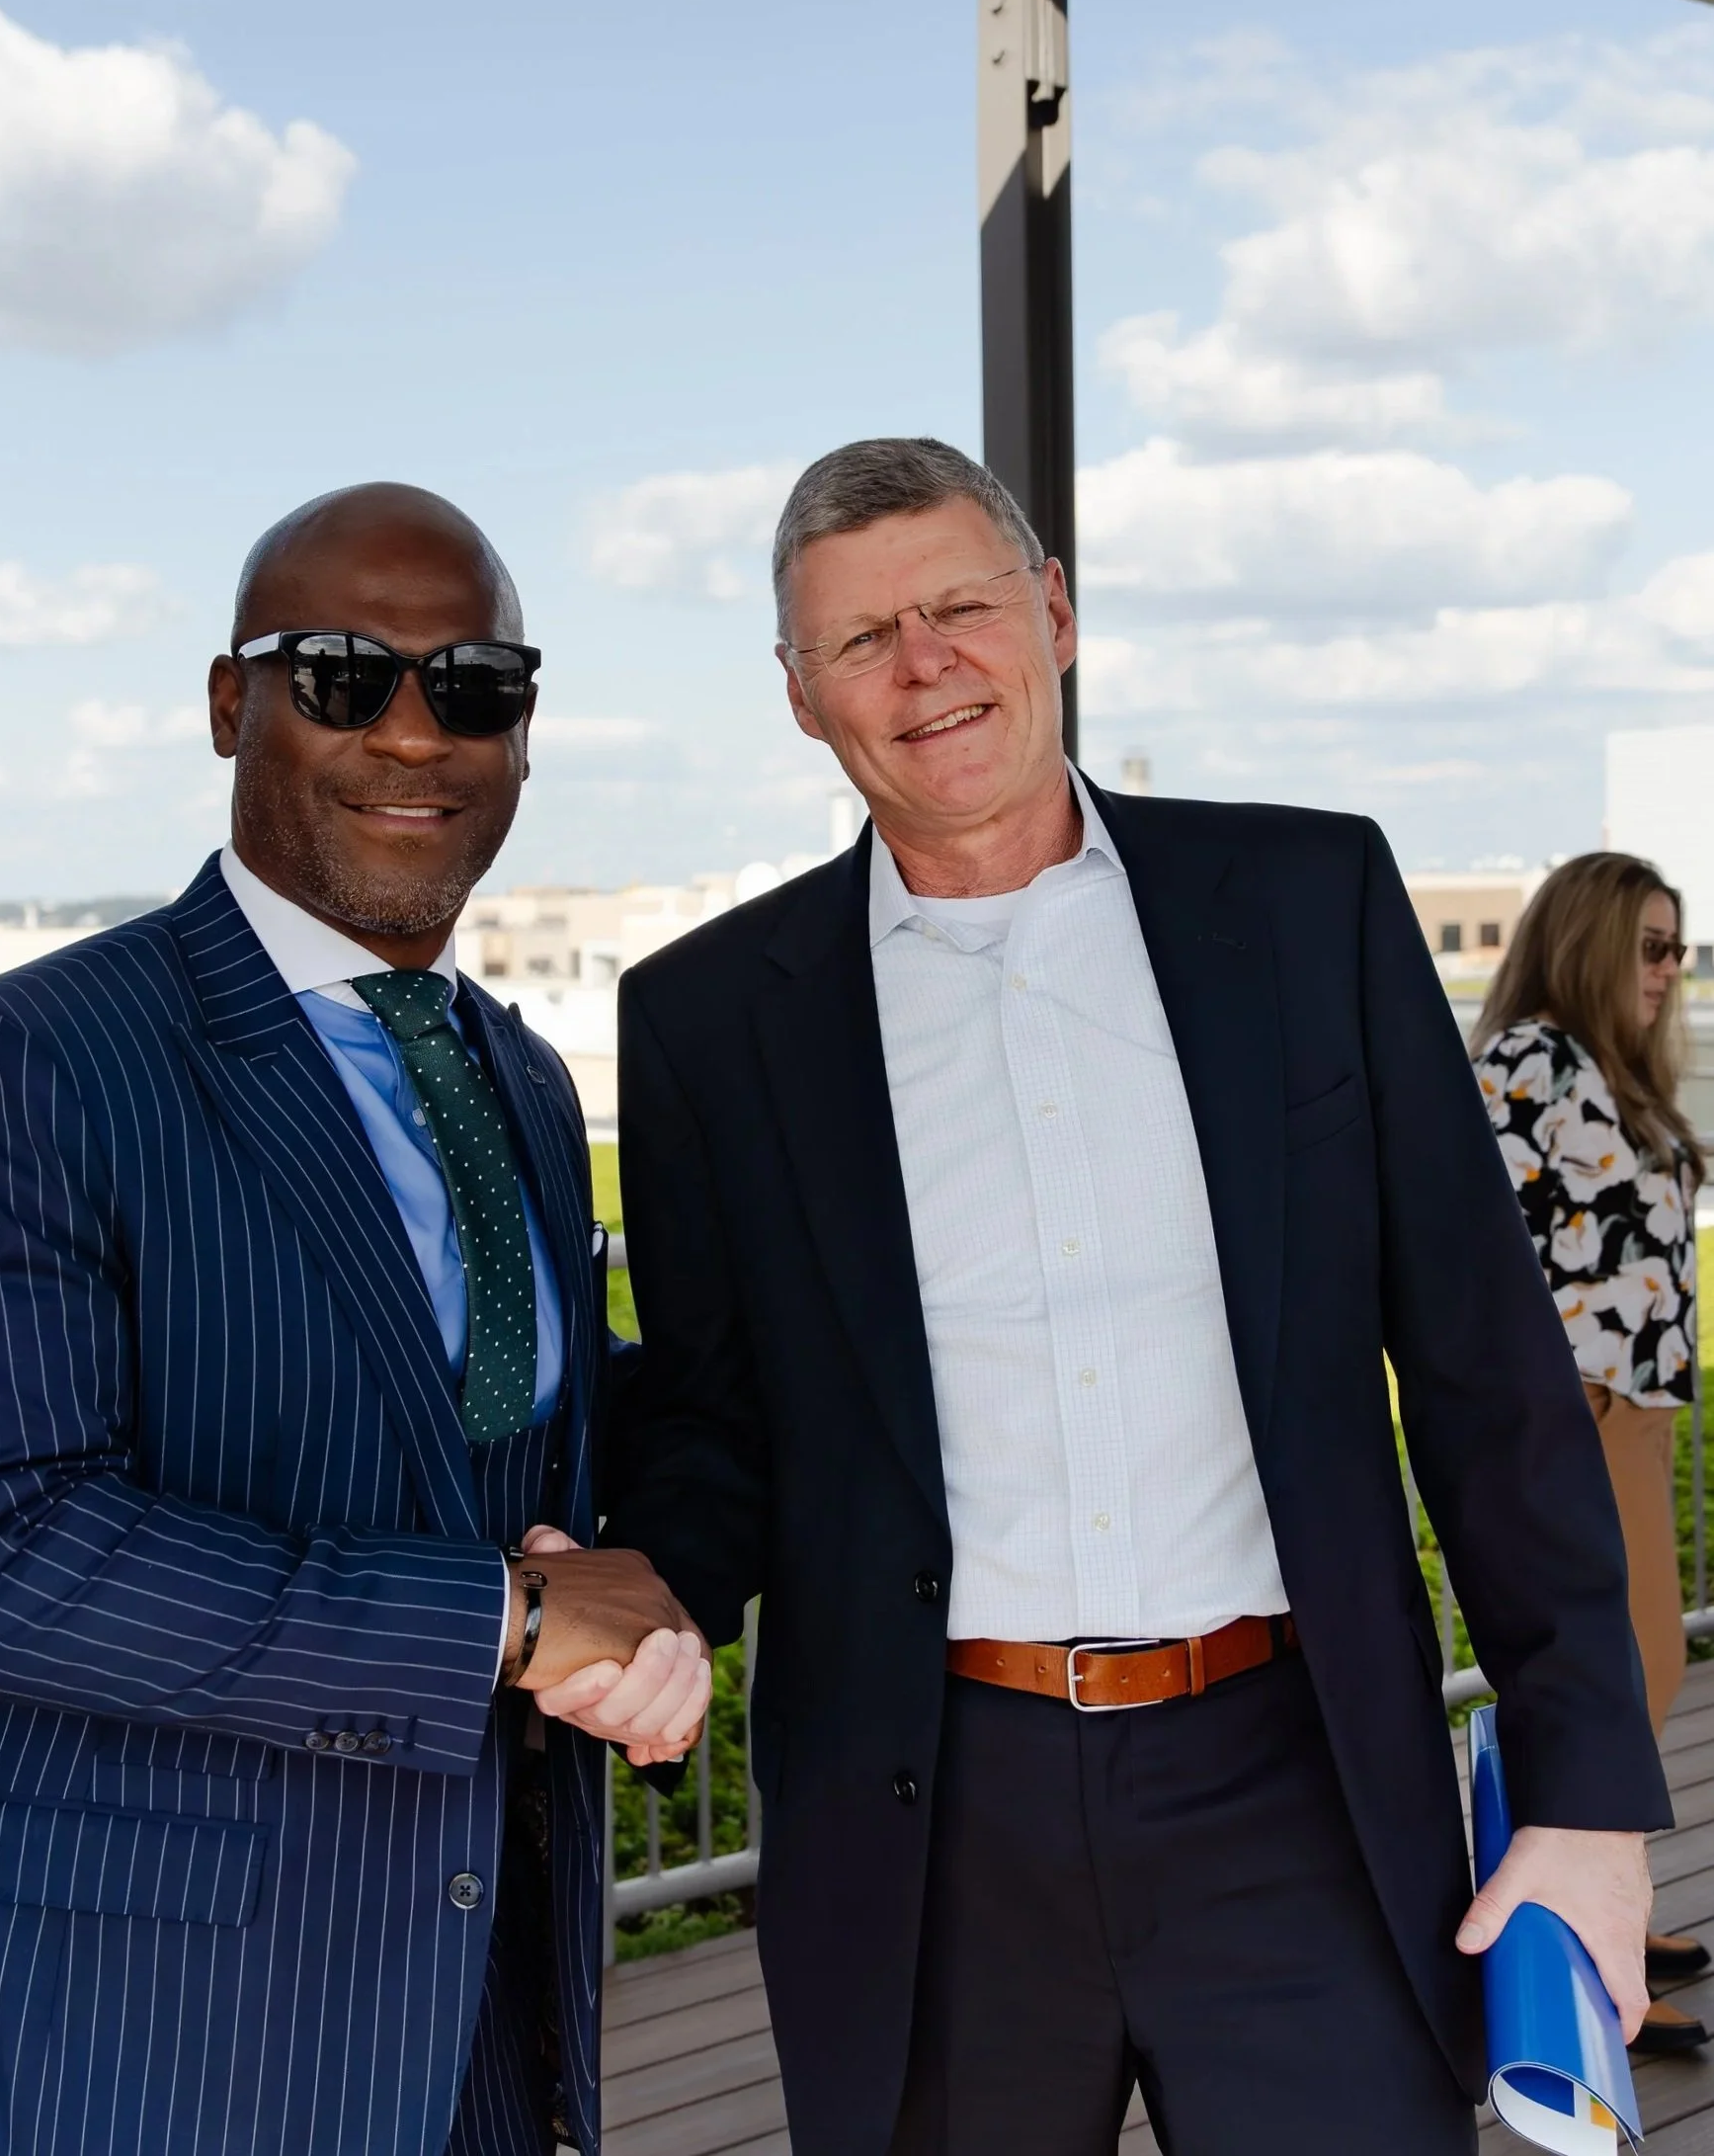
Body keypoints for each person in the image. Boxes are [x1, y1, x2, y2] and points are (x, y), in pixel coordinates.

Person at [584, 437, 1670, 2156]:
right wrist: (641, 1594)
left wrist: (1591, 1791)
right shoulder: (714, 1021)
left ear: (1058, 613)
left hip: (1298, 1773)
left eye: (960, 605)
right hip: (934, 1821)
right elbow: (722, 1428)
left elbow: (1485, 1371)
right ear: (801, 698)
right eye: (861, 639)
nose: (923, 663)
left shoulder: (1308, 903)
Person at [0, 482, 709, 2156]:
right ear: (230, 700)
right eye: (336, 674)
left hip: (479, 2016)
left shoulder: (516, 1079)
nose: (410, 732)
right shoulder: (15, 1061)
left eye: (473, 685)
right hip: (143, 2049)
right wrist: (508, 1625)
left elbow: (499, 1412)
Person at [1472, 851, 1707, 2053]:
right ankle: (1577, 1960)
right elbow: (1470, 1243)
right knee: (1613, 1678)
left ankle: (1609, 1907)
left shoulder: (1611, 1074)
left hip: (1636, 1415)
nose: (1671, 971)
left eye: (1680, 948)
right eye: (1653, 947)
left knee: (1641, 1669)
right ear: (1590, 942)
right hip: (1580, 1413)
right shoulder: (1531, 1064)